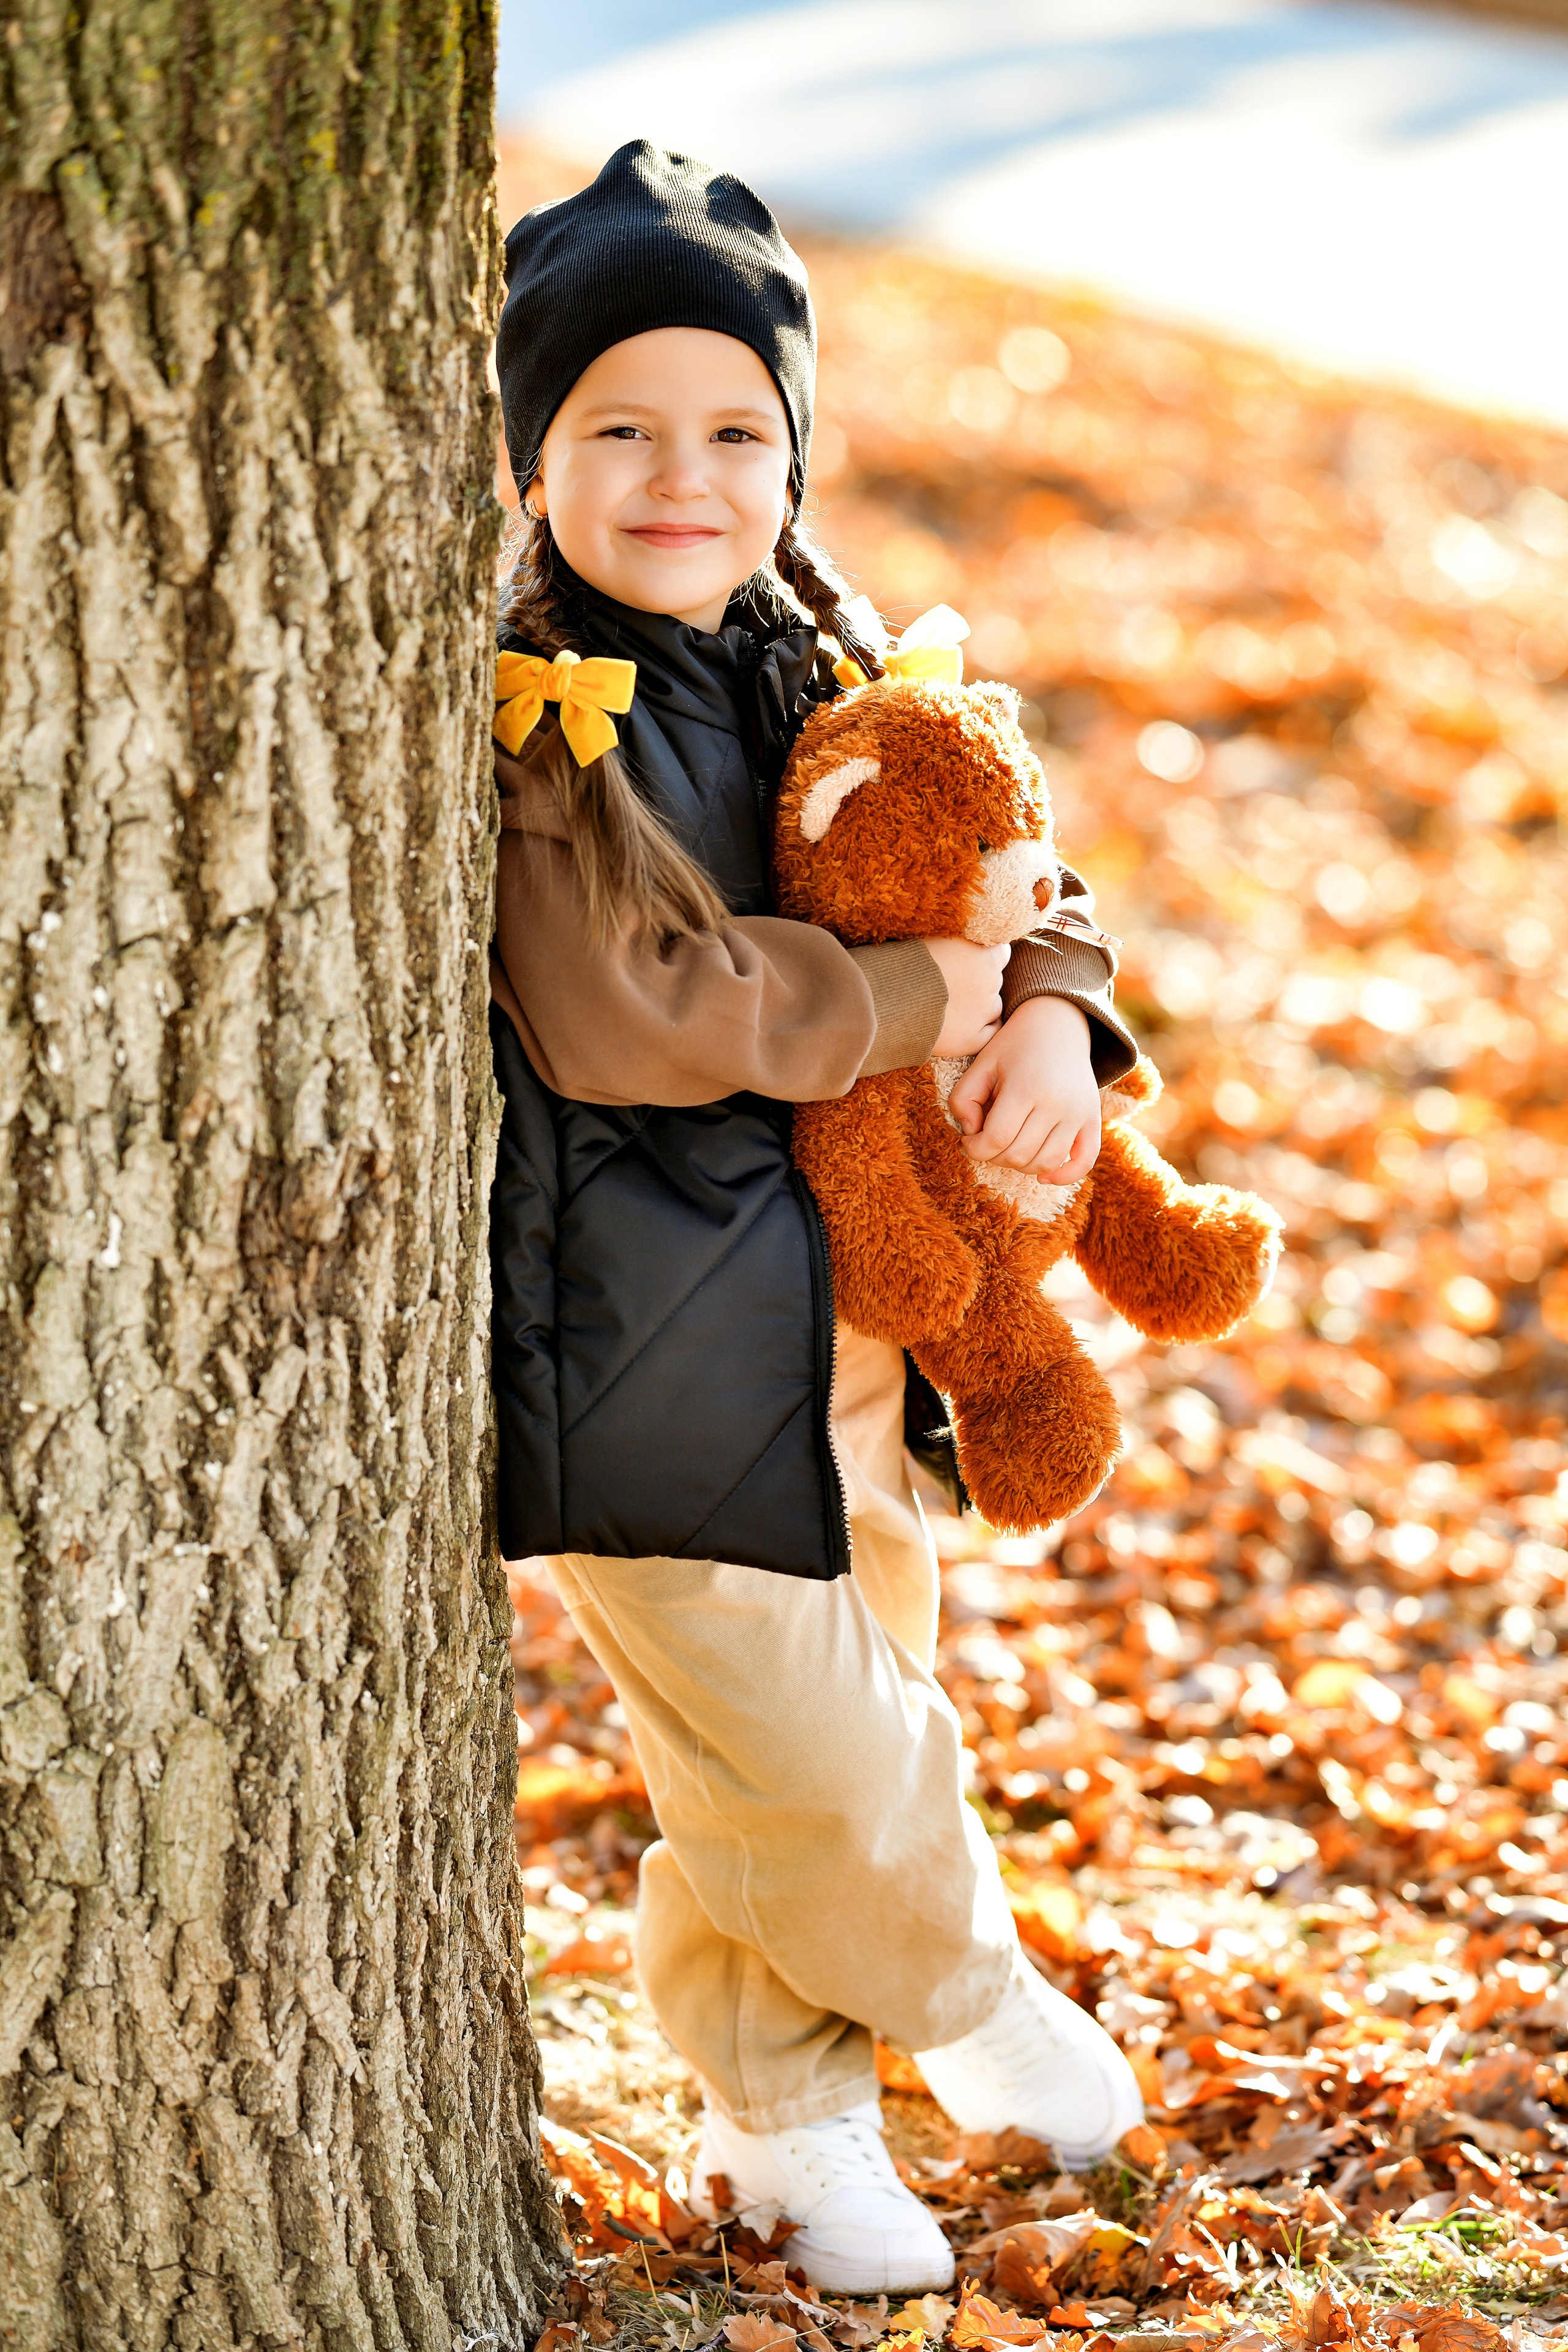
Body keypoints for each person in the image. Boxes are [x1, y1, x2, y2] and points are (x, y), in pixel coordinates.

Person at [489, 141, 1144, 2294]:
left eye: (735, 431)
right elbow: (623, 1011)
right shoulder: (542, 702)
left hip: (857, 1321)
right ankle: (977, 2001)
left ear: (794, 449)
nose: (683, 477)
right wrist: (908, 1001)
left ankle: (787, 2137)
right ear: (532, 456)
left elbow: (1002, 854)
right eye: (616, 429)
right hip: (641, 1333)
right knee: (816, 1750)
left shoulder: (820, 640)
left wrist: (1049, 1006)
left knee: (781, 1767)